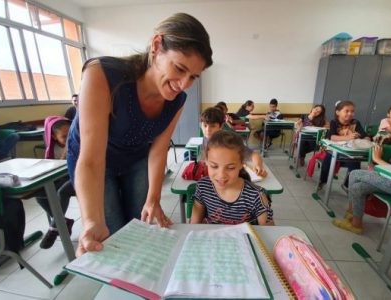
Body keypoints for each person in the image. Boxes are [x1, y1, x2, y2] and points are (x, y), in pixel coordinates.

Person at [66, 13, 213, 256]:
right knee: (109, 232)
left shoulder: (178, 100)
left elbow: (158, 149)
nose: (185, 84)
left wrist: (154, 198)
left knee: (137, 224)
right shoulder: (102, 75)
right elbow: (91, 159)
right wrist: (92, 221)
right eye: (180, 68)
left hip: (135, 159)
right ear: (156, 46)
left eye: (193, 77)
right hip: (95, 161)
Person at [190, 130, 273, 225]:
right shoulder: (202, 187)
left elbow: (268, 231)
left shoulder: (256, 196)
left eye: (230, 168)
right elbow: (194, 225)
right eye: (214, 166)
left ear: (242, 164)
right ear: (206, 162)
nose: (221, 175)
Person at [36, 116, 75, 248]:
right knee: (40, 193)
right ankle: (62, 222)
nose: (69, 137)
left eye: (70, 133)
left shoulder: (77, 141)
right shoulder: (52, 149)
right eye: (64, 136)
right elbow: (52, 167)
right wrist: (64, 154)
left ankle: (54, 227)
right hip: (64, 177)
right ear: (54, 137)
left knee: (62, 192)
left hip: (79, 177)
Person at [200, 107, 266, 176]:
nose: (207, 130)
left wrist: (258, 165)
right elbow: (204, 160)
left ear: (221, 126)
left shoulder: (229, 141)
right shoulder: (206, 139)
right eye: (204, 125)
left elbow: (254, 155)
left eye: (212, 126)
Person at [317, 100, 367, 192]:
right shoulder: (334, 122)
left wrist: (363, 139)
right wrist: (348, 137)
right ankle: (322, 181)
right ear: (338, 112)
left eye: (352, 111)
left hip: (350, 152)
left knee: (355, 164)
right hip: (334, 152)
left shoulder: (356, 122)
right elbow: (332, 137)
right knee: (327, 160)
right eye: (346, 111)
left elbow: (365, 136)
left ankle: (347, 185)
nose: (350, 113)